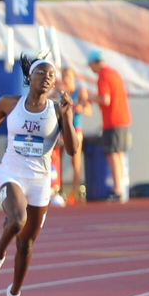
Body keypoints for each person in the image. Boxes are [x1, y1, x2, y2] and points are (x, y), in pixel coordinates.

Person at [0, 56, 75, 296]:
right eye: (42, 73)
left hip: (40, 181)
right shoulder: (9, 102)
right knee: (17, 219)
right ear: (30, 77)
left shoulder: (56, 110)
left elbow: (73, 150)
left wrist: (67, 115)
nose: (47, 78)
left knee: (27, 245)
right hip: (10, 172)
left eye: (51, 75)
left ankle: (14, 294)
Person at [88, 50, 131, 202]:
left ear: (94, 63)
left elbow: (105, 99)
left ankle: (118, 189)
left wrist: (90, 97)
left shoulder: (103, 76)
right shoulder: (114, 73)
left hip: (113, 120)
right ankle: (120, 188)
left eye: (90, 66)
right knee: (118, 153)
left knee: (112, 153)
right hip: (122, 118)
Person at [59, 66, 90, 201]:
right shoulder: (60, 92)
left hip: (76, 129)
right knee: (56, 159)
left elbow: (88, 110)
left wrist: (81, 108)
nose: (66, 80)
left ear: (73, 78)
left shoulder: (80, 91)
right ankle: (58, 190)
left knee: (75, 163)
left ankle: (74, 192)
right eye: (64, 77)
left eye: (68, 77)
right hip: (62, 130)